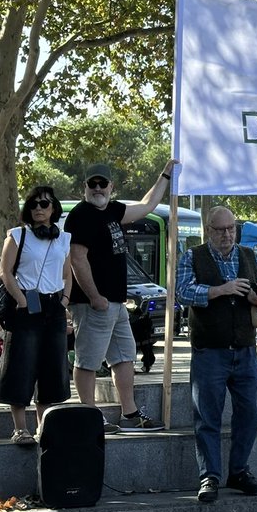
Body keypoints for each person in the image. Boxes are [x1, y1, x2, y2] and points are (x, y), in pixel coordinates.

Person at [65, 160, 176, 432]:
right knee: (88, 360)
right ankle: (89, 416)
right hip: (94, 304)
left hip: (116, 303)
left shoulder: (113, 211)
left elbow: (147, 205)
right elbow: (77, 259)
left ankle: (130, 414)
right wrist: (94, 297)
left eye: (103, 183)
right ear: (85, 187)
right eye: (93, 183)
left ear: (111, 187)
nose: (98, 188)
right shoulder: (80, 215)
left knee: (124, 357)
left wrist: (165, 174)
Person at [176, 205, 257, 503]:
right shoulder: (193, 256)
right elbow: (182, 292)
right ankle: (210, 477)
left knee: (249, 415)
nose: (227, 234)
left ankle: (239, 471)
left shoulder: (248, 255)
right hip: (210, 351)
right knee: (207, 416)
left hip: (245, 348)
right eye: (220, 229)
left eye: (231, 228)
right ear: (208, 231)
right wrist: (222, 289)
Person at [0, 185, 73, 446]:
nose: (39, 208)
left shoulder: (63, 239)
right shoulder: (17, 235)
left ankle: (44, 426)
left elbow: (66, 273)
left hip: (54, 306)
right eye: (34, 205)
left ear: (53, 209)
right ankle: (20, 429)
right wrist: (21, 299)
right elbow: (5, 271)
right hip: (26, 305)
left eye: (44, 204)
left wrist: (64, 301)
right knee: (21, 364)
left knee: (52, 367)